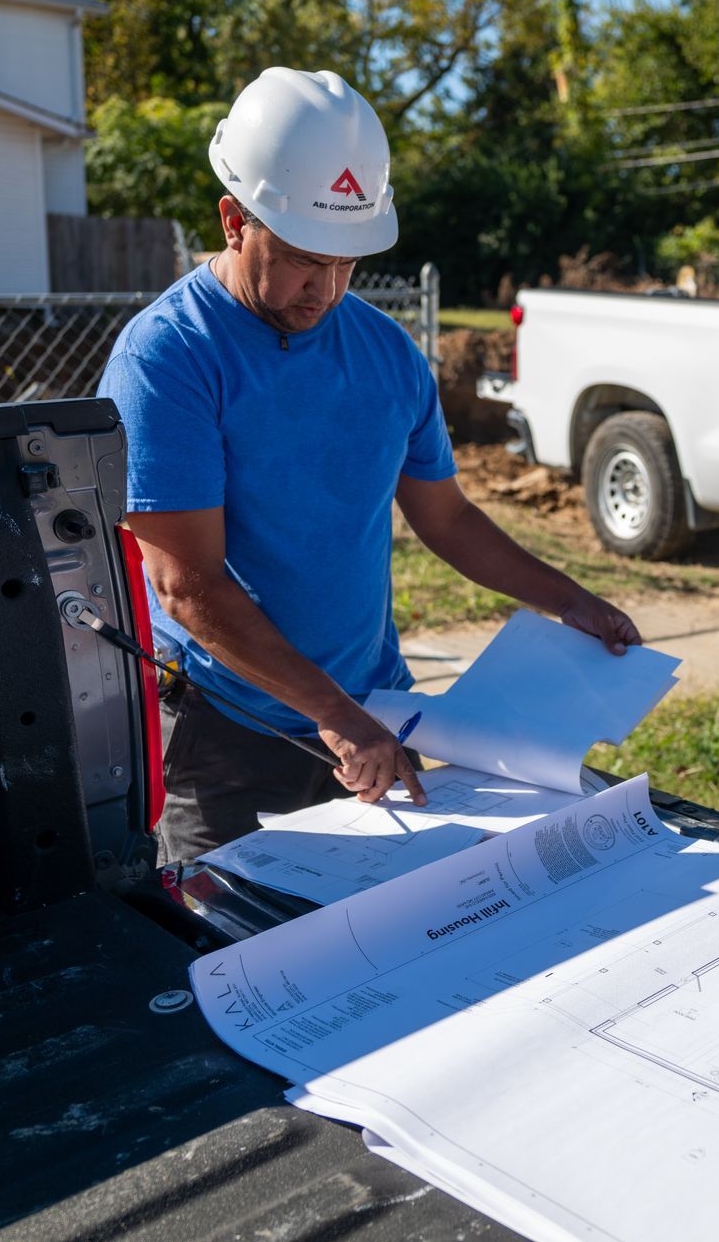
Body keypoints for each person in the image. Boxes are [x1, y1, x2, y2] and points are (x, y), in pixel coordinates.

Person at [101, 68, 639, 864]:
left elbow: (446, 517)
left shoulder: (387, 353)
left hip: (376, 710)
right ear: (232, 220)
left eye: (347, 262)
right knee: (232, 949)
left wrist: (571, 599)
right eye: (299, 260)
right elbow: (188, 584)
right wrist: (335, 712)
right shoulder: (170, 357)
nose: (323, 289)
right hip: (226, 728)